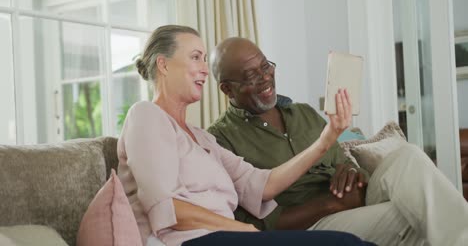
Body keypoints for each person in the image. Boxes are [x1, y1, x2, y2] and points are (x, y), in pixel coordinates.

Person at [116, 25, 374, 246]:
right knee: (344, 244)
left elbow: (263, 184)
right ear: (163, 64)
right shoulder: (146, 115)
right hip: (190, 241)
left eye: (205, 59)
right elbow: (167, 207)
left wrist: (326, 139)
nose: (205, 69)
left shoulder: (202, 138)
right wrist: (242, 229)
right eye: (196, 57)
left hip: (225, 237)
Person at [207, 37, 468, 246]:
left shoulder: (303, 113)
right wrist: (331, 203)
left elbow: (345, 162)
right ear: (227, 89)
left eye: (265, 66)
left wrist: (353, 173)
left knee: (407, 156)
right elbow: (249, 224)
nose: (265, 77)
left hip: (356, 199)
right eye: (251, 76)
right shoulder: (221, 139)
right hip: (315, 224)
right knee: (410, 216)